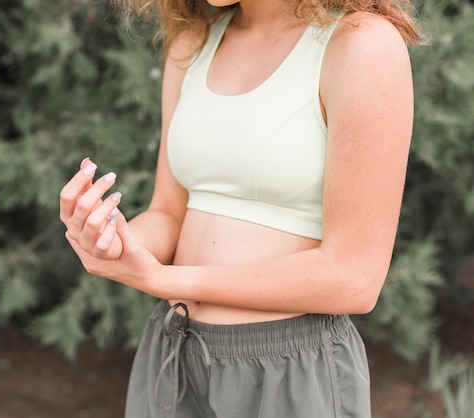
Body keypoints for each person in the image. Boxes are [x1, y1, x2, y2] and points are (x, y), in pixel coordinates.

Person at [59, 0, 424, 415]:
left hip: (287, 370)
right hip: (173, 351)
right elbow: (169, 213)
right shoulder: (192, 42)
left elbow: (354, 278)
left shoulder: (362, 45)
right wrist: (114, 238)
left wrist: (167, 280)